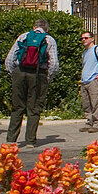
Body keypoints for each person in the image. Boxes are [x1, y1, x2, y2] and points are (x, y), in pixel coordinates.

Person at [4, 19, 60, 147]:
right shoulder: (49, 39)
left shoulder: (23, 36)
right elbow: (54, 64)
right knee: (34, 108)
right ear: (47, 29)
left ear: (34, 26)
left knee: (17, 107)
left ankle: (11, 140)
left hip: (20, 72)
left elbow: (10, 58)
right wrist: (47, 77)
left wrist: (14, 74)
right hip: (38, 74)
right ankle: (30, 140)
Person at [79, 31, 98, 133]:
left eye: (86, 38)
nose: (84, 40)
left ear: (92, 39)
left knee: (96, 102)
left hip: (94, 81)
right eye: (82, 38)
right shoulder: (85, 53)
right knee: (87, 104)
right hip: (85, 81)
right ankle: (89, 122)